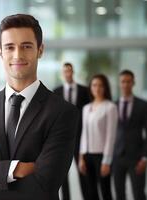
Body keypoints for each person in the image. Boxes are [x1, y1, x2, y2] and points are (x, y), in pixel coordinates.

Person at [0, 14, 79, 200]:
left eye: (26, 46)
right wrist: (18, 169)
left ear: (40, 50)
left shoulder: (62, 112)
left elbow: (47, 183)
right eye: (9, 47)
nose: (17, 55)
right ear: (0, 52)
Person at [113, 70, 147, 200]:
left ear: (133, 83)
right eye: (123, 82)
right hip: (117, 157)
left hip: (137, 157)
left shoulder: (143, 105)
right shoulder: (113, 105)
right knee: (119, 194)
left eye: (128, 81)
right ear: (119, 84)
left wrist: (145, 157)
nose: (125, 84)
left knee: (139, 194)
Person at [54, 62, 90, 200]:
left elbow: (88, 115)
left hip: (81, 137)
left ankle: (87, 196)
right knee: (63, 173)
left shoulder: (84, 90)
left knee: (83, 172)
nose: (67, 73)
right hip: (63, 139)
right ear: (62, 74)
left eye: (69, 70)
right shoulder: (56, 91)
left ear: (73, 72)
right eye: (65, 71)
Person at [79, 74, 118, 200]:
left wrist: (106, 161)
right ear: (90, 88)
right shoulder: (86, 108)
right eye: (94, 85)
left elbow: (110, 137)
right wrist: (81, 157)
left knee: (105, 192)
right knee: (91, 192)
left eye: (101, 85)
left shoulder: (110, 107)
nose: (97, 88)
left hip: (102, 156)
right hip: (87, 155)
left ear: (105, 87)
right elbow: (84, 133)